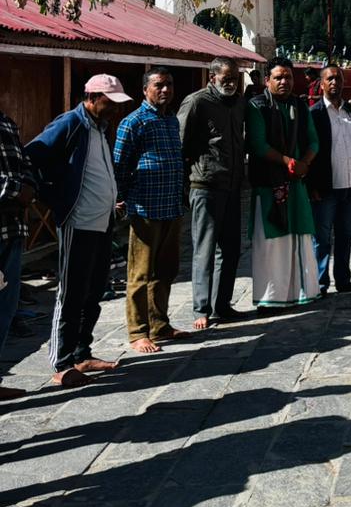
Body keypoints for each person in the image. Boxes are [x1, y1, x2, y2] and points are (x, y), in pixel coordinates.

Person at [27, 75, 131, 385]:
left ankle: (82, 353)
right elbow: (32, 156)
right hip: (79, 221)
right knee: (71, 293)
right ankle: (62, 363)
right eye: (110, 103)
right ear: (92, 98)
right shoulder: (70, 123)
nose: (115, 109)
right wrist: (56, 197)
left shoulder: (101, 127)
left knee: (94, 291)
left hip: (102, 221)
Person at [114, 66, 187, 354]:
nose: (165, 90)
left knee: (166, 270)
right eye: (159, 85)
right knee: (140, 273)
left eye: (169, 84)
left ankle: (160, 324)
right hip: (145, 207)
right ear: (145, 90)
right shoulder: (133, 122)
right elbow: (120, 165)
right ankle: (138, 332)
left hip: (171, 205)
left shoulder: (171, 120)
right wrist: (121, 198)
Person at [247, 57, 321, 310]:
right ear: (267, 80)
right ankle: (270, 298)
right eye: (278, 77)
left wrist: (305, 164)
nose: (284, 82)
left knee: (299, 238)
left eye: (288, 77)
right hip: (269, 184)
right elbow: (258, 144)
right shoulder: (257, 106)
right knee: (272, 244)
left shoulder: (299, 105)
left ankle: (301, 292)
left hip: (296, 183)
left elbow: (313, 140)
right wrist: (288, 161)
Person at [178, 58, 246, 330]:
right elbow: (180, 143)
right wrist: (184, 183)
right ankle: (201, 308)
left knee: (230, 249)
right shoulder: (197, 102)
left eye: (234, 79)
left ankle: (222, 304)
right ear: (212, 77)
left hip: (232, 185)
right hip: (205, 185)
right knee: (205, 249)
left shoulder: (239, 103)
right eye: (226, 78)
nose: (230, 83)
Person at [306, 64, 351, 295]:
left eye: (338, 79)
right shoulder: (315, 113)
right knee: (322, 238)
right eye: (330, 79)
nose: (335, 83)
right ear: (321, 84)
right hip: (326, 187)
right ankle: (320, 284)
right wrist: (311, 185)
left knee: (346, 235)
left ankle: (343, 280)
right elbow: (309, 150)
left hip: (350, 185)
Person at [0, 105, 36, 401]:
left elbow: (26, 164)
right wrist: (14, 190)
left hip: (12, 229)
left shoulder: (7, 123)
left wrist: (29, 185)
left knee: (6, 307)